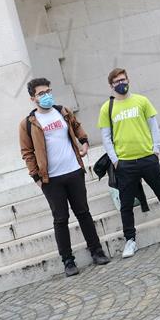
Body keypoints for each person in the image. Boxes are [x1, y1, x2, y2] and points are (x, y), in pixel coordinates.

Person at [19, 78, 110, 277]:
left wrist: (84, 141)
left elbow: (77, 127)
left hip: (73, 171)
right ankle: (68, 261)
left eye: (48, 91)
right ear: (33, 98)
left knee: (83, 212)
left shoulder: (63, 111)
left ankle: (97, 251)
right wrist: (36, 177)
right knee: (60, 219)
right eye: (41, 93)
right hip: (50, 179)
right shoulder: (28, 123)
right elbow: (27, 152)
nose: (46, 96)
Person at [98, 68, 160, 258]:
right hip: (125, 163)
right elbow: (106, 137)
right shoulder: (107, 108)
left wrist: (156, 149)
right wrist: (115, 160)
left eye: (123, 79)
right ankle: (130, 240)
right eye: (116, 82)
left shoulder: (142, 101)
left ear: (128, 80)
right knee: (126, 204)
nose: (120, 84)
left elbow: (153, 126)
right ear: (111, 86)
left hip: (148, 158)